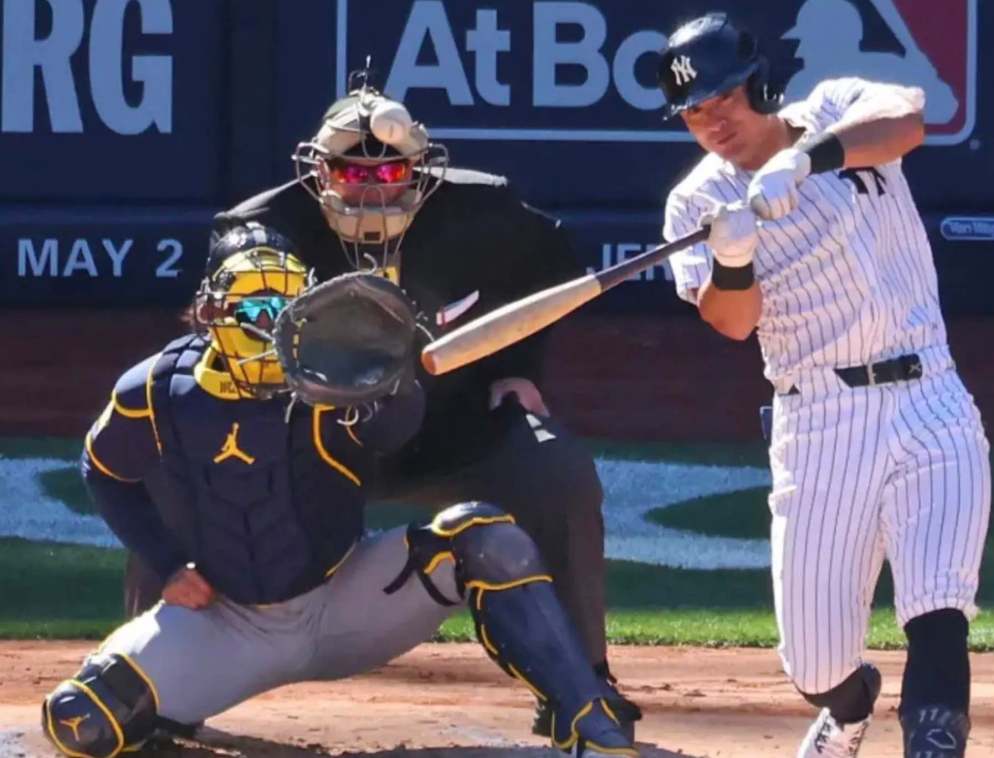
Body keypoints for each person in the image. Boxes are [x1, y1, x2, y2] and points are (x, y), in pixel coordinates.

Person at [121, 70, 641, 737]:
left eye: (390, 171)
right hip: (304, 444)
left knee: (556, 470)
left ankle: (583, 683)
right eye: (351, 172)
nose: (371, 187)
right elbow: (223, 327)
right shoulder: (261, 229)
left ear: (420, 169)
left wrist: (519, 369)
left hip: (451, 430)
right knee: (176, 474)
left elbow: (549, 278)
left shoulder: (487, 212)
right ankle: (144, 692)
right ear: (319, 172)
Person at [41, 229, 637, 758]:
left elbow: (394, 430)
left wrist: (390, 374)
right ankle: (171, 715)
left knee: (485, 538)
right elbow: (103, 471)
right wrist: (167, 562)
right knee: (80, 722)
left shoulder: (336, 378)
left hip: (349, 604)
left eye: (283, 309)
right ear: (210, 311)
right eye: (255, 309)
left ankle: (587, 720)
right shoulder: (154, 391)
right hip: (228, 626)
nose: (268, 327)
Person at [656, 13, 990, 758]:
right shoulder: (696, 203)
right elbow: (733, 322)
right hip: (820, 424)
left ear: (758, 84)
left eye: (724, 98)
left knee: (938, 608)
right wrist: (733, 258)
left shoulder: (835, 107)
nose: (714, 121)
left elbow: (907, 121)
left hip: (930, 395)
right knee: (815, 666)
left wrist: (805, 161)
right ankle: (849, 704)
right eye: (696, 111)